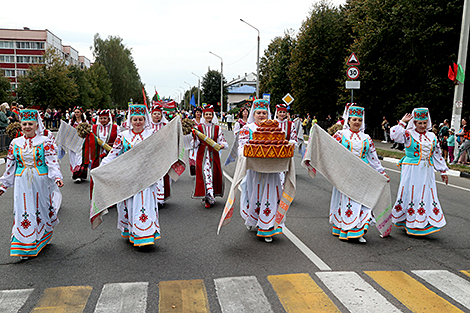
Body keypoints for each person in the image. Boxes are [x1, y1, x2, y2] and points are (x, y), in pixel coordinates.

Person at [0, 109, 63, 259]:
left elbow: (52, 162)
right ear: (20, 125)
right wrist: (3, 185)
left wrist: (57, 177)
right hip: (21, 181)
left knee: (40, 208)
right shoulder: (15, 143)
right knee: (23, 210)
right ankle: (25, 245)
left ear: (36, 125)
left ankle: (42, 236)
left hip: (40, 181)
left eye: (30, 124)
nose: (27, 126)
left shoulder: (44, 142)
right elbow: (10, 166)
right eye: (24, 124)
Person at [101, 104, 162, 246]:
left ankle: (144, 234)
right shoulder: (123, 136)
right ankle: (132, 230)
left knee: (145, 203)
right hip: (128, 177)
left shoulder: (152, 135)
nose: (138, 122)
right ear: (130, 120)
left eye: (140, 119)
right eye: (135, 119)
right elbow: (113, 154)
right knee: (129, 204)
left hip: (147, 177)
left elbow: (159, 152)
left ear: (145, 120)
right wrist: (101, 168)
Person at [329, 105, 389, 243]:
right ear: (348, 120)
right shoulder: (340, 135)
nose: (357, 122)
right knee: (348, 202)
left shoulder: (366, 137)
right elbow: (330, 151)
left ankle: (358, 230)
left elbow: (373, 157)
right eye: (354, 119)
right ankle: (345, 227)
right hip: (346, 174)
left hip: (363, 174)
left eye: (359, 120)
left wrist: (382, 172)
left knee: (363, 202)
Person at [390, 108, 448, 236]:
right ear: (414, 123)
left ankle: (423, 221)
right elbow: (394, 136)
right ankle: (411, 222)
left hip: (427, 170)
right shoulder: (408, 134)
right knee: (412, 194)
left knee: (427, 194)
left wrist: (443, 170)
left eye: (424, 123)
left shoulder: (431, 136)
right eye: (419, 123)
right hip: (412, 170)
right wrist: (402, 122)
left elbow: (437, 153)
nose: (422, 126)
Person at [238, 99, 284, 242]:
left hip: (271, 170)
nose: (262, 115)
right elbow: (242, 147)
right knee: (253, 193)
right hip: (254, 170)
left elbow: (281, 144)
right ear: (254, 113)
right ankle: (253, 219)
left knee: (271, 194)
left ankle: (267, 226)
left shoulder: (275, 128)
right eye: (259, 113)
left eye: (264, 113)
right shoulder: (247, 128)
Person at [192, 104, 228, 208]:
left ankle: (212, 195)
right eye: (206, 114)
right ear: (203, 115)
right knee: (205, 174)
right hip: (202, 154)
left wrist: (221, 145)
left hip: (213, 153)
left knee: (213, 173)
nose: (208, 116)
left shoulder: (217, 128)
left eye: (210, 114)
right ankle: (207, 197)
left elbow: (222, 140)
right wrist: (194, 137)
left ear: (213, 116)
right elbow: (194, 144)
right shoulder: (198, 128)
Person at [83, 109, 120, 198]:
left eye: (105, 118)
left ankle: (111, 197)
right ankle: (97, 197)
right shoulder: (94, 127)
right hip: (97, 154)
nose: (103, 120)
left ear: (108, 119)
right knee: (97, 175)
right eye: (101, 118)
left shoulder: (115, 127)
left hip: (111, 154)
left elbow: (119, 141)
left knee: (110, 176)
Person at [149, 103, 170, 208]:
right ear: (151, 115)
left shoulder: (165, 126)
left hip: (161, 153)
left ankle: (160, 198)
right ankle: (151, 197)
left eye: (159, 114)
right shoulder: (147, 126)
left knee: (160, 175)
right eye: (155, 114)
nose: (157, 115)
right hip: (150, 154)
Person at [275, 104, 298, 187]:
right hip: (274, 151)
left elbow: (294, 138)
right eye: (280, 112)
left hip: (285, 151)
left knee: (284, 172)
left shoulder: (290, 124)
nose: (282, 114)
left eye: (284, 112)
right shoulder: (273, 123)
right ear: (276, 113)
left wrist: (289, 143)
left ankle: (284, 192)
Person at [68, 106, 88, 182]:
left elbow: (88, 132)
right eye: (75, 112)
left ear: (81, 113)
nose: (76, 114)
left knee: (80, 158)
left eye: (78, 112)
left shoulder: (85, 122)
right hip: (73, 142)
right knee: (73, 158)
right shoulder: (71, 122)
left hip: (81, 142)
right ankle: (75, 174)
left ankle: (79, 175)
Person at [188, 107, 203, 176]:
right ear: (195, 113)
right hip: (193, 141)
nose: (198, 114)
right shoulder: (192, 121)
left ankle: (201, 170)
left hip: (202, 141)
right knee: (193, 156)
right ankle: (195, 170)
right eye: (197, 112)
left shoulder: (203, 121)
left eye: (199, 112)